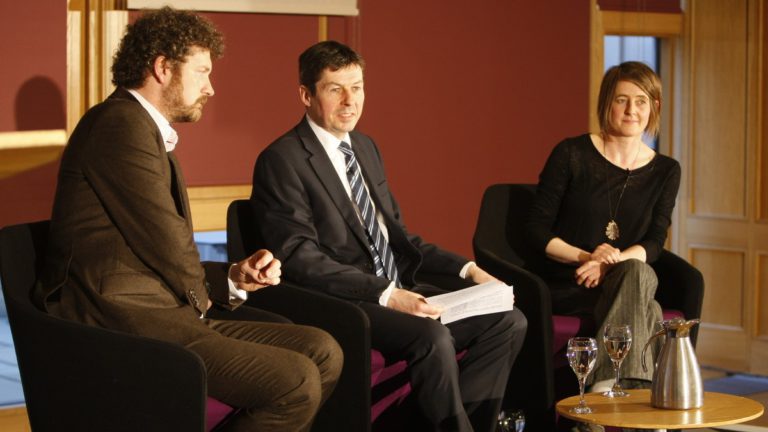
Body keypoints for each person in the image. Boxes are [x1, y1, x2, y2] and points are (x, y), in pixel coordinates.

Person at [34, 8, 342, 432]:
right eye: (201, 72)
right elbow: (165, 240)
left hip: (164, 311)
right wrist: (205, 300)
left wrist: (233, 278)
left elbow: (161, 251)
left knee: (324, 350)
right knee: (296, 381)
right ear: (163, 68)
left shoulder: (143, 129)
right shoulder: (119, 124)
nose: (211, 88)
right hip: (121, 321)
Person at [250, 40, 527, 432]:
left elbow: (400, 239)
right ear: (306, 94)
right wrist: (387, 294)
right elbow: (299, 256)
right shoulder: (282, 160)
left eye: (357, 86)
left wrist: (469, 271)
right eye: (335, 89)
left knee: (507, 320)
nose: (350, 100)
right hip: (347, 302)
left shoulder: (364, 147)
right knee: (432, 337)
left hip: (400, 288)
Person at [525, 61, 680, 398]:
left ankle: (601, 392)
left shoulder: (666, 170)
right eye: (622, 100)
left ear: (654, 107)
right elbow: (537, 229)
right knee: (647, 302)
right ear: (607, 103)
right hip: (570, 282)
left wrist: (610, 262)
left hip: (621, 279)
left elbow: (655, 240)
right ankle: (635, 397)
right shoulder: (571, 153)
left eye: (641, 101)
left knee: (637, 273)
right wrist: (587, 257)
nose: (631, 110)